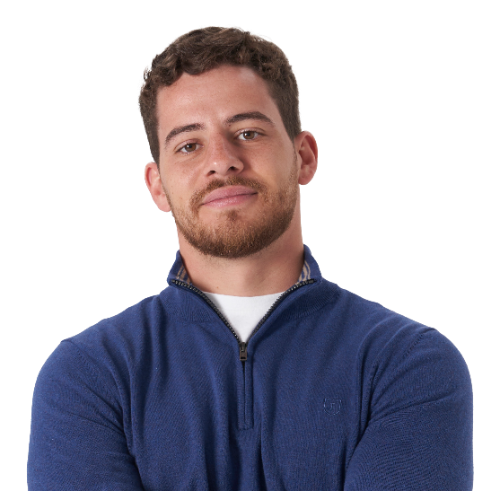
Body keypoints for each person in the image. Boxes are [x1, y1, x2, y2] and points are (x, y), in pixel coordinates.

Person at [26, 23, 473, 491]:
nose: (222, 160)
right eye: (189, 145)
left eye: (248, 132)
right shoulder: (87, 376)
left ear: (304, 156)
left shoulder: (408, 365)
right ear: (157, 186)